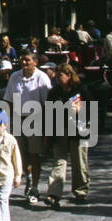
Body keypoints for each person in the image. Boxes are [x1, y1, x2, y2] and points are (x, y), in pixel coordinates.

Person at [3, 52, 52, 205]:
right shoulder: (15, 77)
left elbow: (47, 103)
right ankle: (28, 178)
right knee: (21, 154)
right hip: (18, 119)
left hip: (35, 119)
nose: (24, 62)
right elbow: (9, 99)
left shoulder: (42, 78)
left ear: (35, 62)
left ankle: (35, 187)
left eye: (27, 60)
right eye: (22, 59)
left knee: (34, 154)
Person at [45, 64, 89, 206]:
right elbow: (49, 113)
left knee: (79, 162)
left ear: (69, 75)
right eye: (56, 75)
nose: (58, 78)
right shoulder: (54, 92)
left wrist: (80, 111)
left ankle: (80, 191)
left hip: (78, 130)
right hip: (60, 131)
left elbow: (91, 108)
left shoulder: (81, 90)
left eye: (61, 75)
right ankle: (54, 193)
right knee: (59, 162)